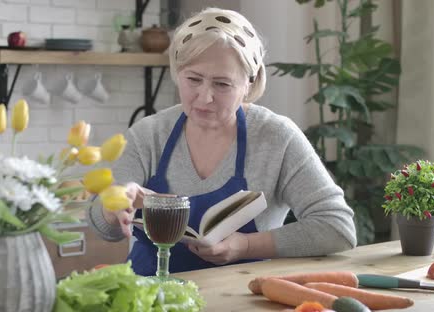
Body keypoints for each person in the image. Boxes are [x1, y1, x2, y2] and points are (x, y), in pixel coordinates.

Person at [88, 7, 357, 276]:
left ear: (249, 84)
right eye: (193, 79)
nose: (205, 97)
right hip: (150, 293)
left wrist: (246, 245)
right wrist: (114, 208)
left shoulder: (277, 137)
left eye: (222, 84)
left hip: (243, 295)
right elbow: (101, 225)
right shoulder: (149, 134)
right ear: (177, 71)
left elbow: (337, 227)